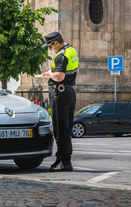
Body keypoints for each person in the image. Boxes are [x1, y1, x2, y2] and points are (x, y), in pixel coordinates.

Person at [41, 31, 79, 172]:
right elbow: (77, 70)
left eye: (50, 46)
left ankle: (64, 161)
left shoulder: (61, 56)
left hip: (59, 93)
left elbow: (59, 76)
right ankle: (64, 159)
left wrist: (49, 74)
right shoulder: (71, 51)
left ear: (56, 43)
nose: (50, 49)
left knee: (59, 129)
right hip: (69, 91)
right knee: (66, 128)